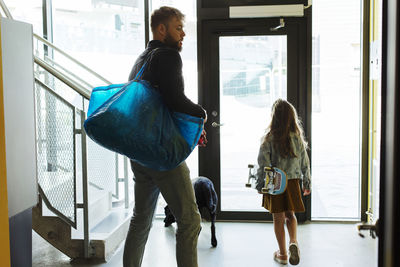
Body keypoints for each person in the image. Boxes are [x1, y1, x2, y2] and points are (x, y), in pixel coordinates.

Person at [123, 6, 207, 267]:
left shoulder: (142, 59)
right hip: (161, 154)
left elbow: (157, 103)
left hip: (139, 153)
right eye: (178, 28)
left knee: (141, 219)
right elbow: (174, 100)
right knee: (190, 221)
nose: (183, 34)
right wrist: (201, 115)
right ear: (162, 29)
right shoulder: (168, 56)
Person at [255, 99, 311, 266]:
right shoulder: (297, 137)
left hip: (275, 181)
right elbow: (305, 162)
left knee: (277, 217)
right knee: (290, 215)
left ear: (275, 117)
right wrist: (306, 183)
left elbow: (263, 164)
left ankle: (283, 254)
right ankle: (293, 241)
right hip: (293, 181)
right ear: (291, 117)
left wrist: (260, 185)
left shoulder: (268, 138)